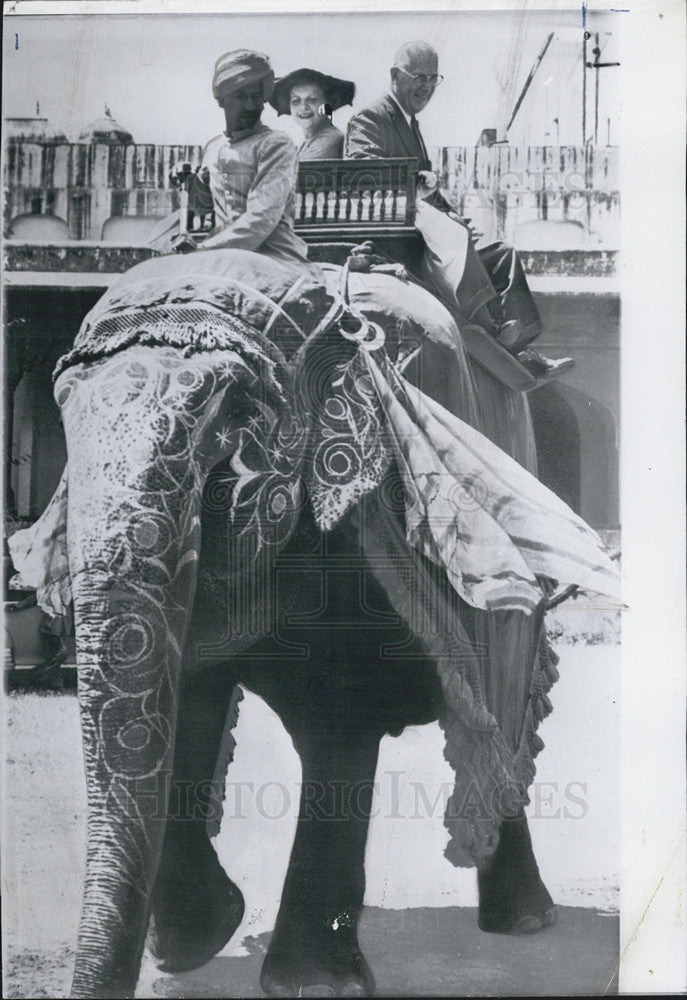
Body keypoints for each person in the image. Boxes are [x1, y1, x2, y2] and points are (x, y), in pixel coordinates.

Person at [345, 40, 571, 444]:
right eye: (419, 79)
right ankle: (490, 323)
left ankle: (518, 341)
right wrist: (417, 184)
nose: (427, 88)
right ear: (395, 77)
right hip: (394, 236)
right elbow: (362, 168)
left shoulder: (411, 126)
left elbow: (432, 192)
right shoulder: (371, 118)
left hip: (423, 227)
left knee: (501, 252)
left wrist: (454, 215)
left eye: (434, 80)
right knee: (455, 238)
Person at [171, 49, 310, 264]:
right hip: (222, 259)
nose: (251, 106)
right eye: (241, 96)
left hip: (274, 260)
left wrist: (204, 249)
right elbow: (203, 206)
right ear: (222, 100)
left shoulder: (276, 145)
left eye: (256, 97)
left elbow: (261, 219)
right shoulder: (213, 148)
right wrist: (189, 181)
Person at [269, 67, 355, 160]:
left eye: (312, 99)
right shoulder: (308, 141)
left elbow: (291, 171)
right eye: (295, 101)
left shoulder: (330, 139)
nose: (303, 107)